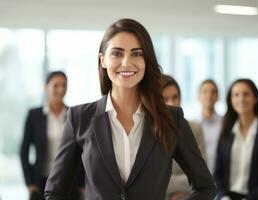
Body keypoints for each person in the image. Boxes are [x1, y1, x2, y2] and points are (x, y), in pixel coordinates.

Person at [44, 18, 216, 200]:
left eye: (136, 54)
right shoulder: (79, 118)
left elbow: (205, 187)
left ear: (146, 60)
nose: (126, 62)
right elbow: (55, 192)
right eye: (117, 54)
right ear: (102, 60)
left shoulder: (172, 119)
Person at [20, 71, 83, 200]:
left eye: (64, 85)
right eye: (56, 85)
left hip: (69, 182)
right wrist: (29, 183)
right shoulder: (34, 115)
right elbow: (24, 150)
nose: (60, 89)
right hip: (41, 182)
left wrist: (83, 182)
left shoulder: (74, 115)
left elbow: (81, 151)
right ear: (46, 87)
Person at [214, 79, 258, 200]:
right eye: (236, 95)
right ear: (231, 100)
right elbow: (217, 172)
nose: (241, 99)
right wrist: (223, 196)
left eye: (246, 94)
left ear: (256, 98)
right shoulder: (226, 133)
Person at [160, 74, 206, 200]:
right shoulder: (148, 132)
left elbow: (202, 176)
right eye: (166, 98)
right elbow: (148, 180)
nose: (172, 103)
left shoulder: (195, 129)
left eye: (175, 97)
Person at [197, 79, 223, 174]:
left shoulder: (225, 124)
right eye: (205, 92)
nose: (209, 95)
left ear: (217, 96)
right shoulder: (191, 126)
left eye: (213, 92)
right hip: (198, 177)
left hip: (220, 178)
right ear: (198, 96)